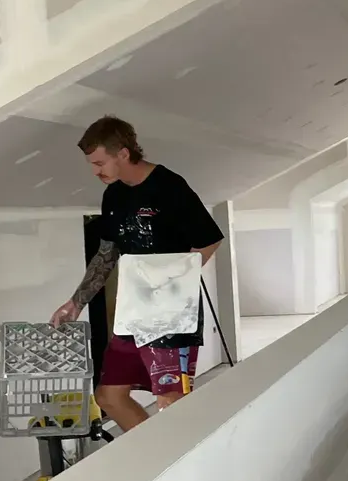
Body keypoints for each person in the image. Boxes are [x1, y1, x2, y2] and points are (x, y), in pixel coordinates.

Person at [51, 117, 224, 432]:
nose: (95, 171)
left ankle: (180, 457)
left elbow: (209, 241)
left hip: (172, 314)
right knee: (109, 396)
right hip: (133, 311)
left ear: (123, 153)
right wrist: (75, 303)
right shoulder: (114, 195)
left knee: (171, 400)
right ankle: (158, 451)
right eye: (92, 164)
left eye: (100, 163)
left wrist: (170, 284)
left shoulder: (169, 187)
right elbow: (107, 253)